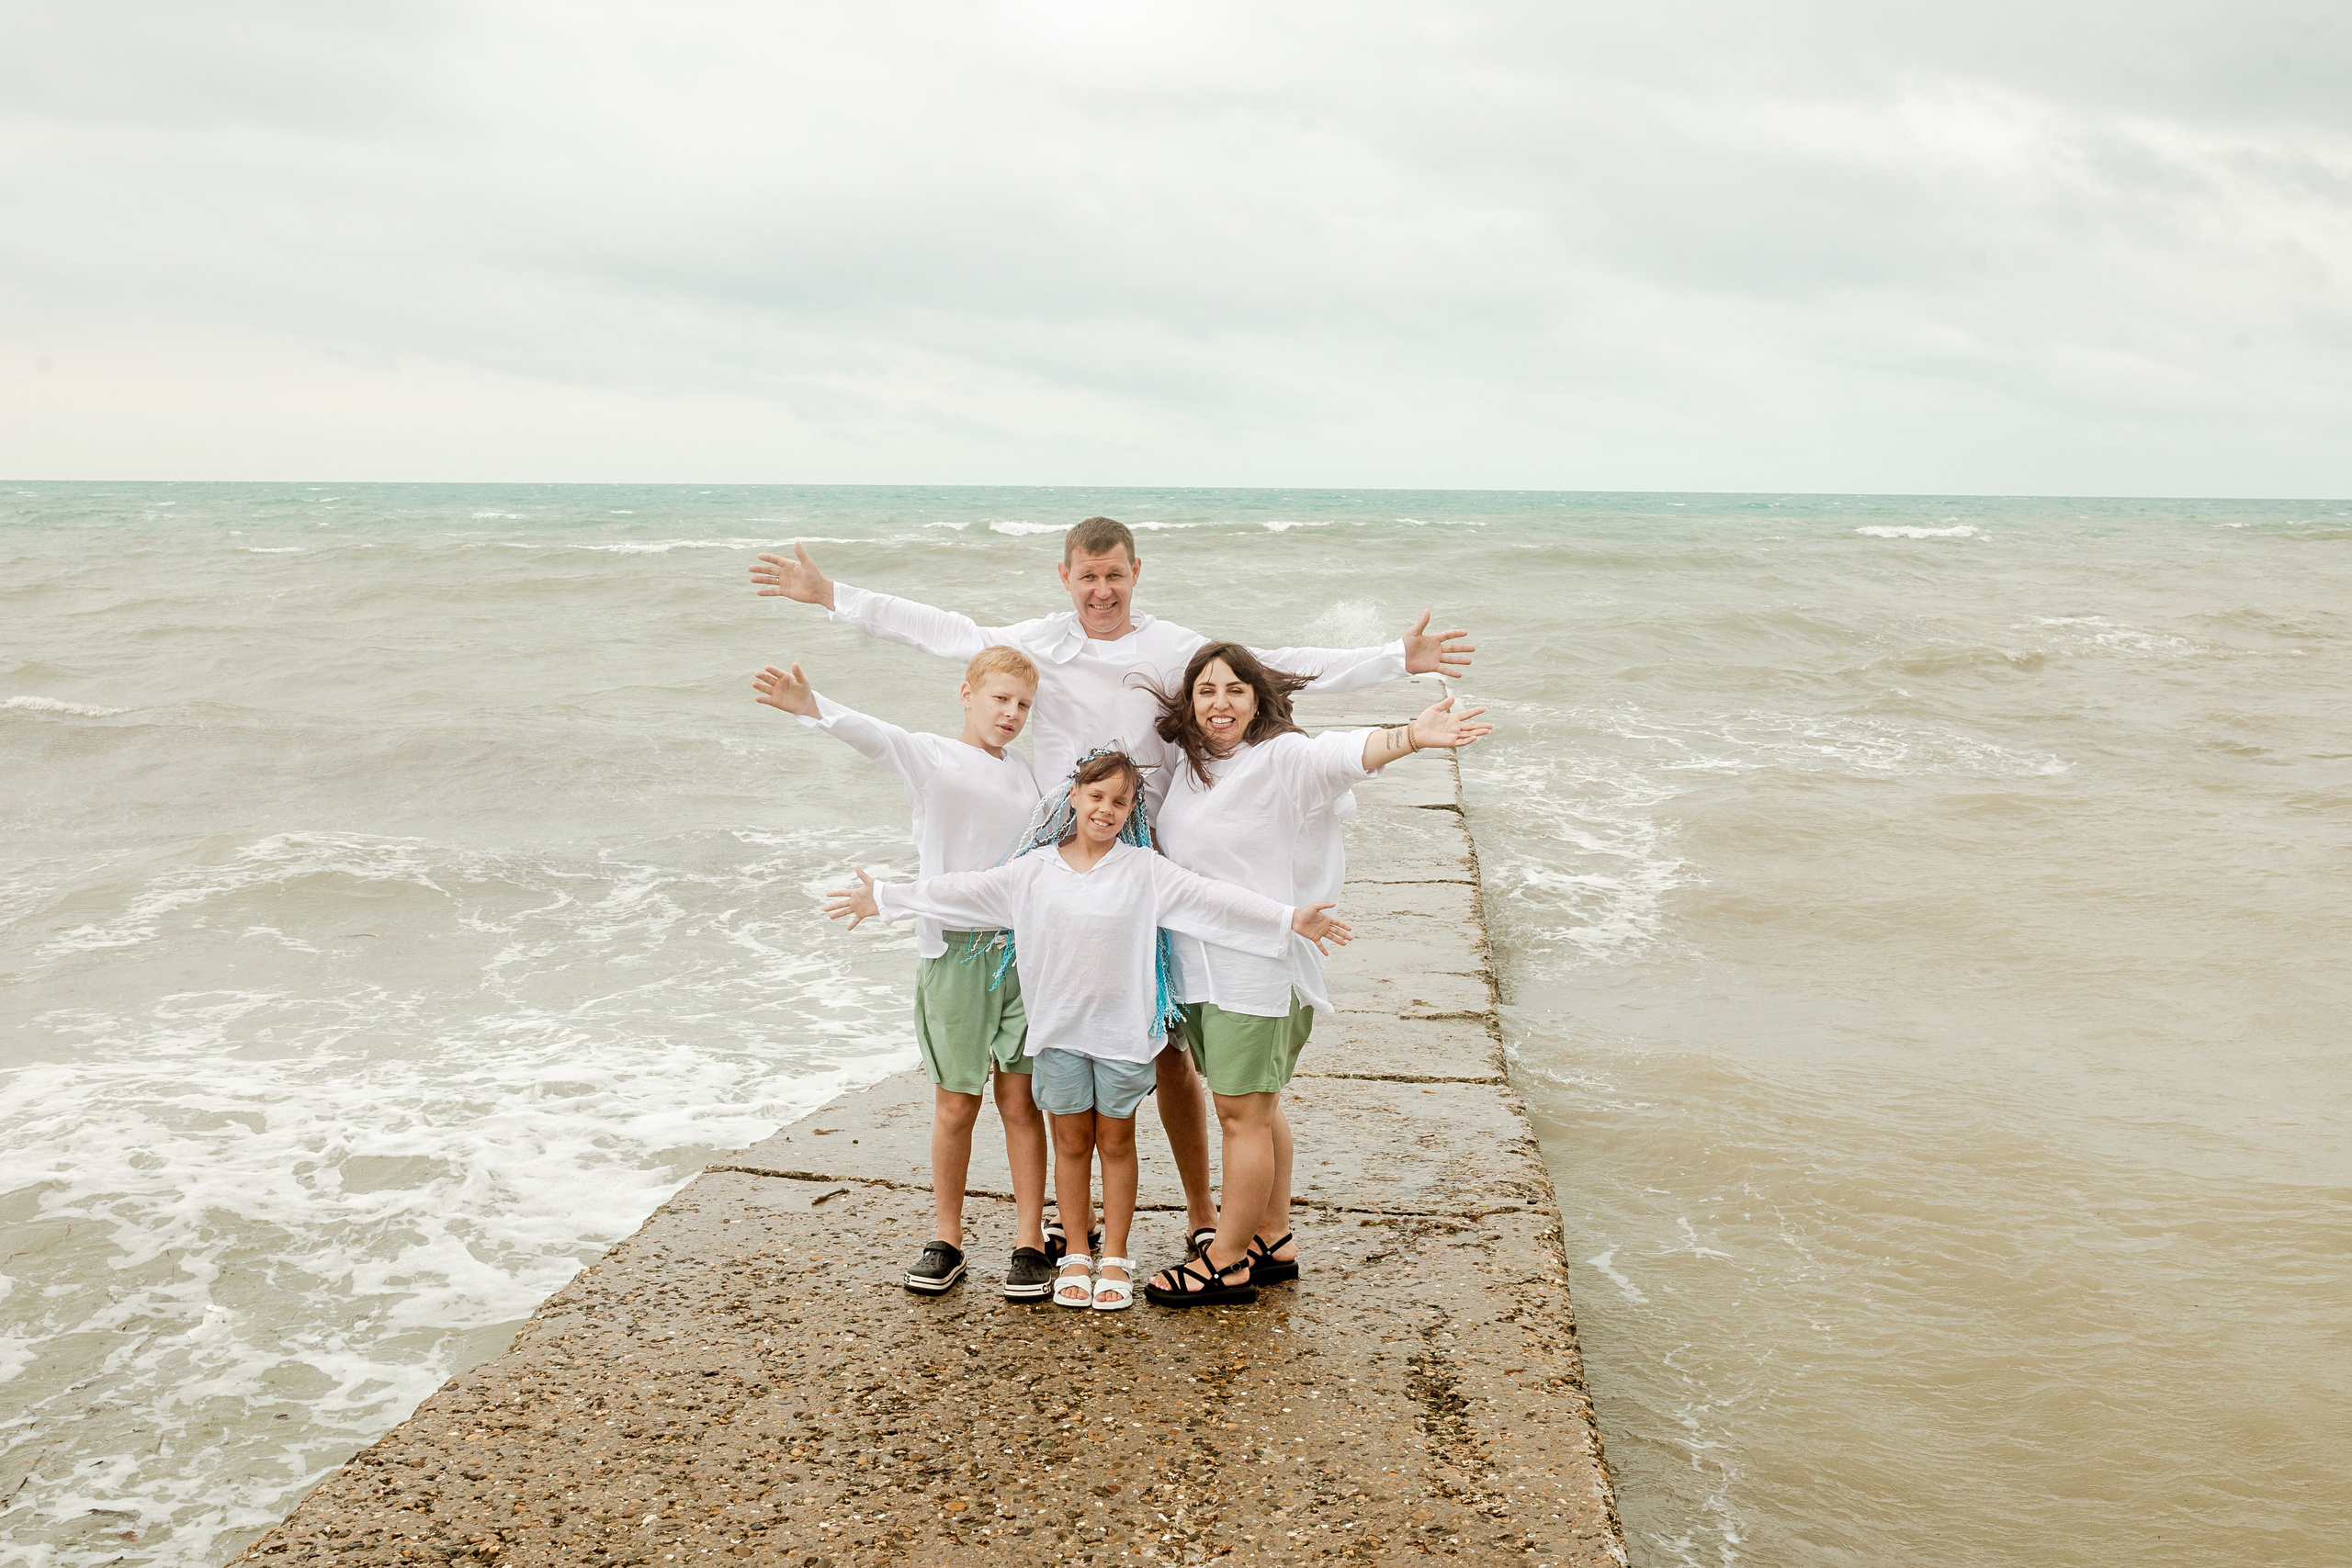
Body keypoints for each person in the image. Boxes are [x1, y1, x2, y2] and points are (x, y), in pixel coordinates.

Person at [753, 515, 1475, 1257]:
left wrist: (1396, 658)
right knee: (1062, 1030)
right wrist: (831, 595)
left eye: (1116, 575)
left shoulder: (1168, 646)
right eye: (1088, 576)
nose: (1102, 589)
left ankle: (1201, 1210)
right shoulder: (1040, 642)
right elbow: (940, 628)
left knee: (1168, 1053)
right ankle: (1075, 1217)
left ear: (1137, 573)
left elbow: (1270, 665)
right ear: (1065, 577)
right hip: (1065, 852)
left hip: (1152, 853)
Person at [821, 750, 1352, 1312]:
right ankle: (1077, 1252)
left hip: (1125, 1039)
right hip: (1056, 1038)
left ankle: (1116, 1257)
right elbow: (960, 891)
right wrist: (884, 898)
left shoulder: (1144, 870)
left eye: (1120, 801)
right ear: (1073, 797)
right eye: (1096, 797)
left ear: (1132, 810)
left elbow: (1211, 901)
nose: (1106, 810)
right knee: (1071, 1145)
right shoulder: (1031, 871)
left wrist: (1287, 917)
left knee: (1118, 1145)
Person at [1139, 644, 1492, 1307]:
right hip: (1205, 968)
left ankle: (1226, 1261)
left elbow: (1343, 753)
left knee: (1241, 1114)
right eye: (1207, 690)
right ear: (1190, 701)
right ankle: (1272, 1237)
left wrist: (1411, 736)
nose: (1220, 702)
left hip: (1256, 969)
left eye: (1236, 690)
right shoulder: (1195, 767)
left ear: (1258, 701)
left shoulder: (1283, 759)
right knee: (1257, 1107)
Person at [753, 648, 1053, 1302]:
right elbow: (877, 736)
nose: (1011, 713)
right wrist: (814, 708)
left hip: (1021, 954)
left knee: (1021, 1101)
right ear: (967, 693)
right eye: (1000, 698)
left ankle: (1031, 1238)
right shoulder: (933, 756)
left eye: (1024, 705)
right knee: (955, 1103)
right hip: (953, 955)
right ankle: (948, 1237)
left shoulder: (1029, 774)